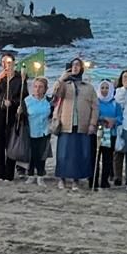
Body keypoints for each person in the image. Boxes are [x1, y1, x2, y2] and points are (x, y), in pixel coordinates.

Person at [52, 58, 98, 189]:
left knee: (79, 153)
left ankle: (75, 180)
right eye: (73, 65)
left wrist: (92, 124)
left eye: (78, 65)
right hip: (65, 123)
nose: (75, 67)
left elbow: (95, 106)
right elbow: (55, 94)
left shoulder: (88, 87)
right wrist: (62, 78)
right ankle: (61, 178)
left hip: (82, 125)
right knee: (63, 153)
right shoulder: (64, 85)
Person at [0, 54, 26, 181]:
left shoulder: (20, 78)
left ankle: (9, 174)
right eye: (4, 61)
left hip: (11, 113)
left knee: (10, 143)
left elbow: (23, 96)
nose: (6, 64)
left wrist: (13, 102)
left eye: (9, 61)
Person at [23, 76, 53, 185]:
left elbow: (53, 115)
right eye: (35, 86)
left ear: (45, 89)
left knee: (42, 155)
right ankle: (30, 174)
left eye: (40, 87)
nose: (37, 89)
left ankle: (40, 175)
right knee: (32, 154)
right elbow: (22, 117)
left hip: (44, 131)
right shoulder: (27, 101)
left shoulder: (49, 101)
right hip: (30, 131)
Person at [94, 79, 123, 188]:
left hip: (111, 134)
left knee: (108, 158)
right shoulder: (96, 102)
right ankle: (94, 180)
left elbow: (121, 118)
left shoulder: (115, 103)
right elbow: (93, 115)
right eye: (102, 88)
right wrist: (103, 118)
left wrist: (114, 121)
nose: (104, 90)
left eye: (107, 88)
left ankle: (104, 181)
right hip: (97, 133)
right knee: (95, 157)